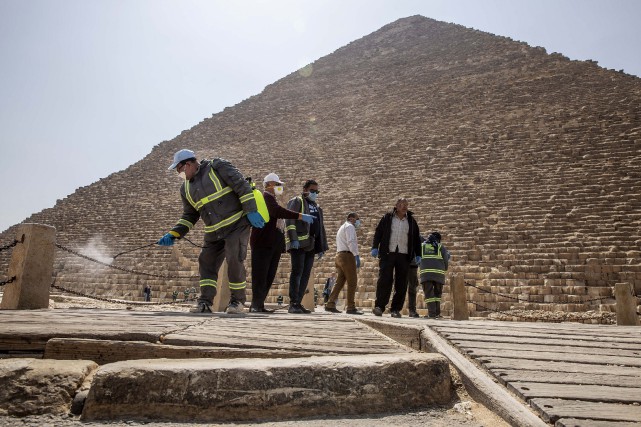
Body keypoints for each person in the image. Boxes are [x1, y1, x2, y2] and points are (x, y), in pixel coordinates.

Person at [157, 149, 265, 314]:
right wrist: (174, 233)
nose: (178, 173)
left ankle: (237, 302)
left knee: (234, 258)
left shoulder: (217, 167)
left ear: (188, 164)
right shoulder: (185, 189)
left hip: (236, 224)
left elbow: (241, 185)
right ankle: (205, 302)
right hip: (214, 231)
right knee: (206, 261)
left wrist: (250, 209)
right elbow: (190, 215)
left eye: (179, 169)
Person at [250, 173, 315, 313]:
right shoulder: (265, 197)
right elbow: (276, 211)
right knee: (261, 275)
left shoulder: (271, 198)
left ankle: (259, 305)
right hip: (263, 243)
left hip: (272, 244)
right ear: (269, 185)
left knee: (269, 275)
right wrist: (300, 216)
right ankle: (255, 305)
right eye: (278, 184)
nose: (280, 187)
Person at [370, 198, 422, 318]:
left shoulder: (411, 221)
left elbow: (416, 239)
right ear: (396, 206)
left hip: (404, 254)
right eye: (402, 205)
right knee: (384, 280)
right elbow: (378, 232)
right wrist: (375, 247)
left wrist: (418, 254)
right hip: (388, 253)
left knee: (401, 283)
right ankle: (379, 306)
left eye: (406, 205)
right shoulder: (387, 218)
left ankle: (395, 309)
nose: (404, 207)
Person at [285, 179, 328, 314]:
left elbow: (320, 227)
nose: (315, 193)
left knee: (305, 275)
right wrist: (293, 239)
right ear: (305, 189)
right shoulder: (297, 201)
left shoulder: (316, 206)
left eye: (316, 191)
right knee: (297, 272)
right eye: (312, 191)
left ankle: (298, 302)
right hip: (299, 243)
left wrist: (321, 247)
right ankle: (293, 303)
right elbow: (290, 219)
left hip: (311, 245)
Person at [325, 212, 363, 315]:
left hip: (339, 256)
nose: (358, 221)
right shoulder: (350, 226)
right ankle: (351, 307)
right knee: (352, 282)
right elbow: (351, 242)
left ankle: (330, 303)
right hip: (347, 256)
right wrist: (356, 255)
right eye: (357, 219)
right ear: (351, 219)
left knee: (340, 281)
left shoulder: (342, 227)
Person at [420, 231, 451, 319]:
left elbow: (417, 259)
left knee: (429, 295)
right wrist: (444, 268)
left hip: (426, 274)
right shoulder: (440, 247)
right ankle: (437, 313)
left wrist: (422, 267)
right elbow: (445, 259)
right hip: (439, 274)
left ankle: (432, 314)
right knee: (437, 295)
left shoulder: (422, 246)